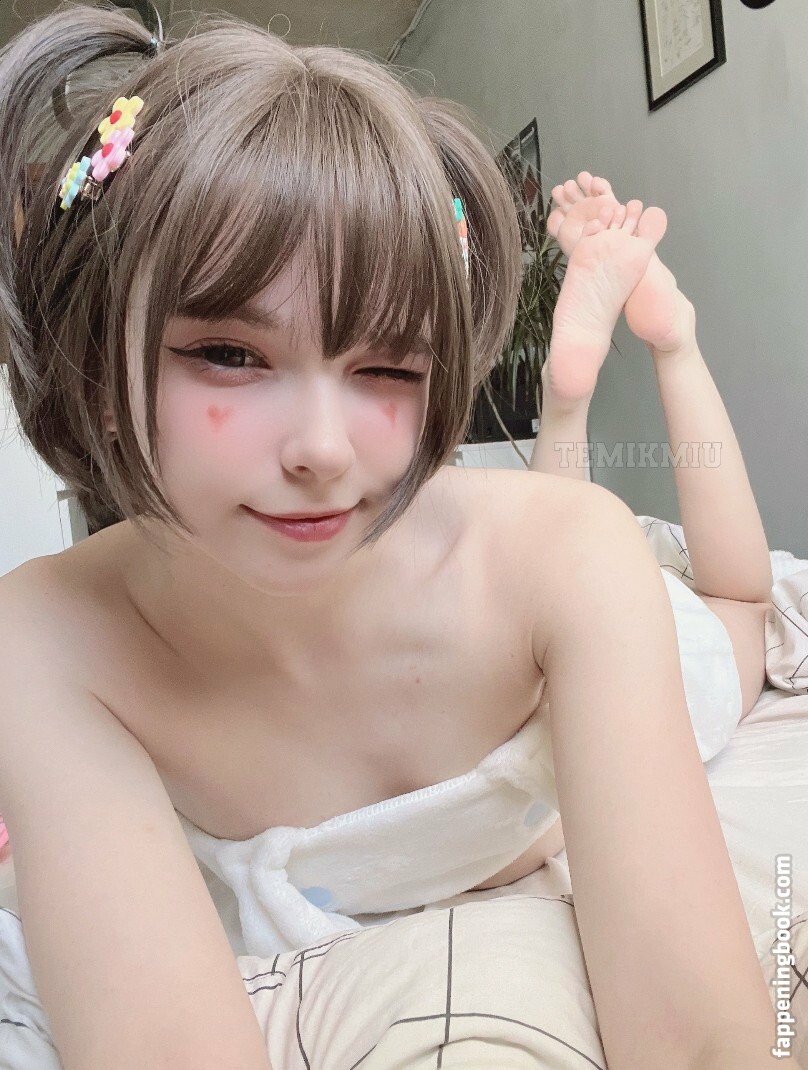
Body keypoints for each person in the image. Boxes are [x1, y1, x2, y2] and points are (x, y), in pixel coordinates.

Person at [0, 4, 778, 1068]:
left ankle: (654, 348)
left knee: (739, 610)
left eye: (387, 367)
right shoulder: (44, 639)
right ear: (97, 358)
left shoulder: (571, 558)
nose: (322, 449)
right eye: (229, 354)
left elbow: (702, 1040)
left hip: (598, 626)